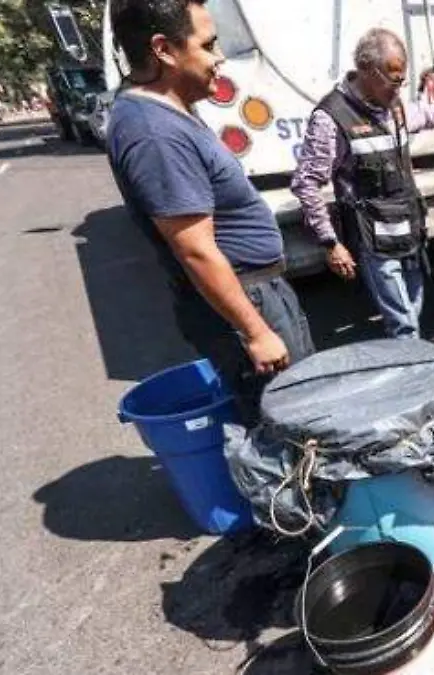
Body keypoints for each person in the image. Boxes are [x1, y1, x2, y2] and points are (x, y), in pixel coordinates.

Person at [106, 0, 314, 427]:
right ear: (164, 49)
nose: (219, 58)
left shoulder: (169, 112)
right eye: (208, 44)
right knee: (286, 428)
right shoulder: (153, 134)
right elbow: (196, 251)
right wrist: (256, 332)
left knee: (306, 409)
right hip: (246, 300)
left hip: (260, 290)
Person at [290, 28, 434, 339]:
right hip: (374, 240)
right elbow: (306, 183)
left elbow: (426, 114)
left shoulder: (392, 106)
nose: (399, 89)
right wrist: (331, 243)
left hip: (408, 230)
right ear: (368, 70)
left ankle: (416, 366)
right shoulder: (332, 118)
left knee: (414, 313)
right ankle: (416, 379)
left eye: (402, 81)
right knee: (404, 326)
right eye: (394, 80)